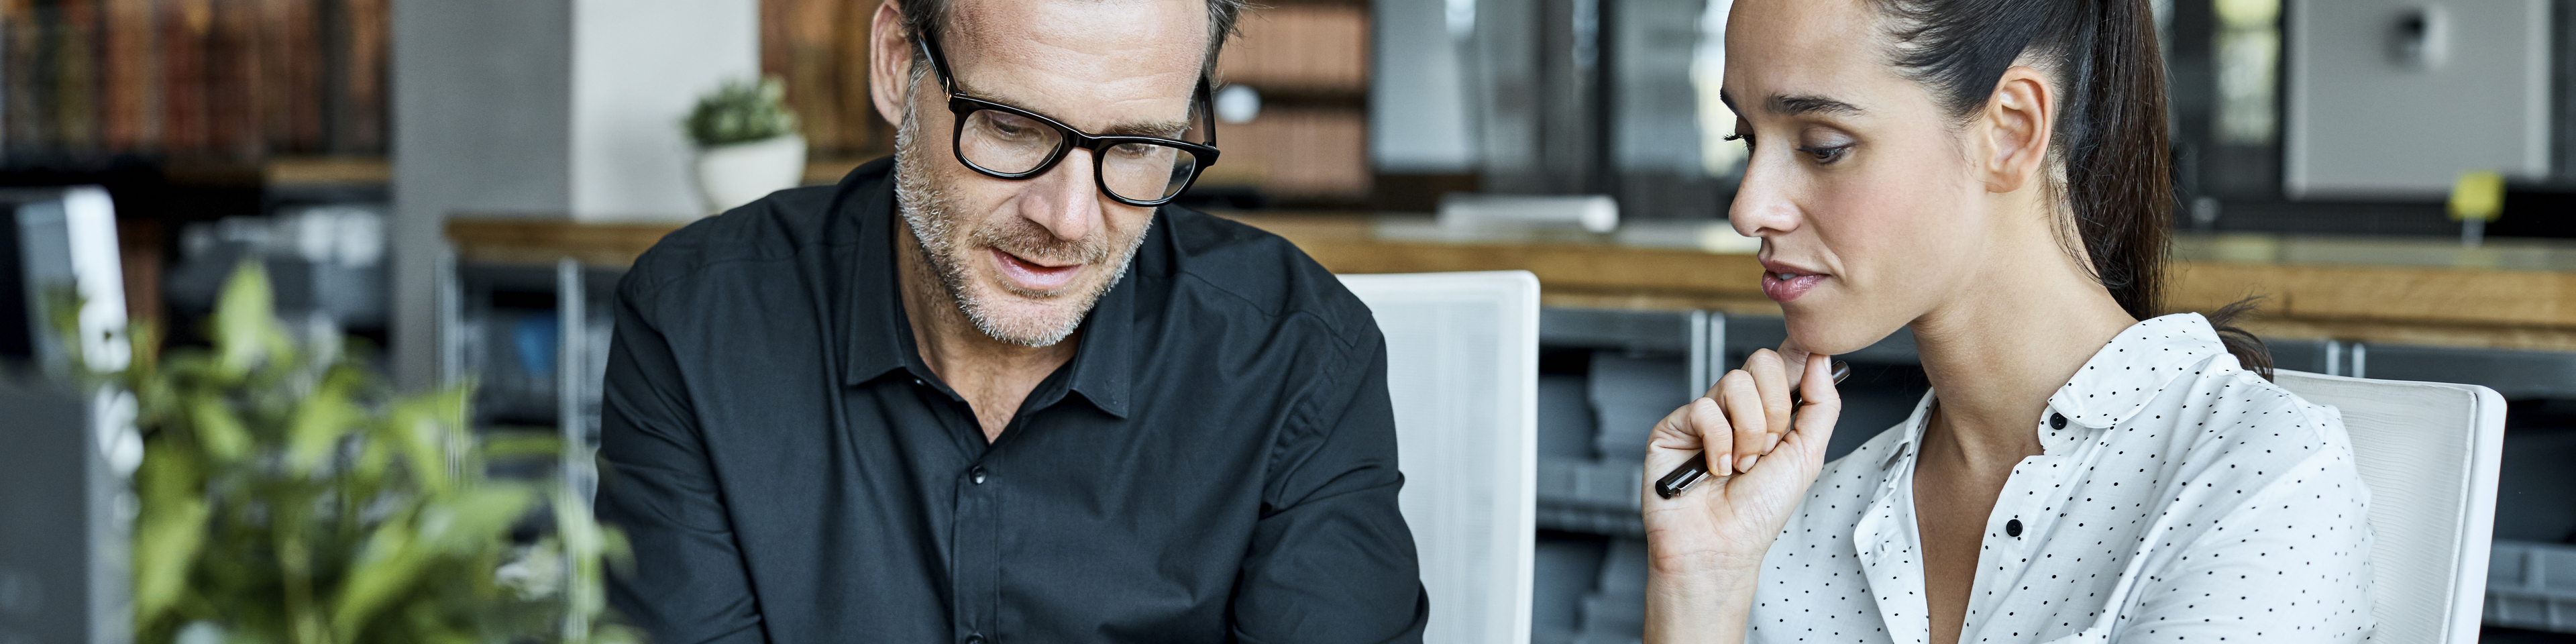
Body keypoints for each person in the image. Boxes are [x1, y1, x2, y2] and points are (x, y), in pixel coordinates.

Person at [591, 0, 1429, 641]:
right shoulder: (696, 326)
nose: (1068, 219)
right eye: (1012, 127)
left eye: (1136, 146)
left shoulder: (1300, 357)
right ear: (896, 65)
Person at [1638, 0, 2373, 642]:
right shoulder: (1790, 523)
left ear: (2013, 131)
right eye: (1746, 141)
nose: (1748, 207)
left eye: (1822, 146)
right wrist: (1699, 587)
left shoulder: (2261, 484)